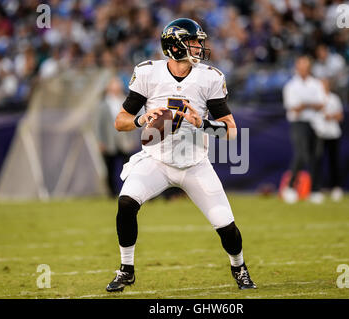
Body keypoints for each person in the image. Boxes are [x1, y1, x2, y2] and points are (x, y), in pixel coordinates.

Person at [106, 18, 256, 292]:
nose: (199, 46)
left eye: (200, 41)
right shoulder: (149, 73)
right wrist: (141, 120)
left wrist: (204, 124)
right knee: (126, 202)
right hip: (156, 160)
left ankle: (239, 266)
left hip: (194, 164)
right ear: (175, 47)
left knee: (226, 226)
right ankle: (126, 269)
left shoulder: (209, 77)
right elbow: (120, 121)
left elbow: (232, 131)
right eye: (193, 41)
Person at [282, 56, 326, 204]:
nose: (303, 69)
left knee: (315, 156)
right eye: (301, 66)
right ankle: (290, 187)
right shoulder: (291, 85)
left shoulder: (316, 84)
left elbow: (321, 104)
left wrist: (304, 105)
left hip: (314, 123)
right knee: (301, 154)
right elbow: (294, 108)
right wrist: (310, 105)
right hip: (298, 123)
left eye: (306, 66)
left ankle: (315, 190)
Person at [97, 76, 140, 197]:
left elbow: (133, 121)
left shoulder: (126, 101)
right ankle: (111, 193)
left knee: (128, 167)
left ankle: (128, 192)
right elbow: (98, 124)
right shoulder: (103, 104)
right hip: (109, 141)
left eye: (118, 84)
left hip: (124, 141)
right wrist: (100, 141)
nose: (116, 87)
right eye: (113, 84)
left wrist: (132, 139)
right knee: (109, 168)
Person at [311, 79, 344, 202]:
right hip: (319, 133)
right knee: (317, 162)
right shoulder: (315, 99)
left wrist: (331, 116)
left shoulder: (334, 98)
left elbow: (340, 116)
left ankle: (336, 188)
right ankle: (316, 189)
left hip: (333, 133)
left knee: (334, 162)